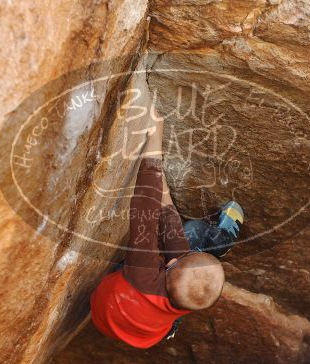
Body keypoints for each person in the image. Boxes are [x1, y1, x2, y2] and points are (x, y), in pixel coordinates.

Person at [90, 90, 244, 349]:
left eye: (176, 260)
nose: (176, 256)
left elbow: (142, 209)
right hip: (140, 330)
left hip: (118, 300)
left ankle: (216, 244)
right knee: (184, 244)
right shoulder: (185, 294)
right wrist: (164, 192)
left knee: (193, 233)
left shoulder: (144, 273)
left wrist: (154, 140)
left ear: (169, 268)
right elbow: (165, 219)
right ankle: (171, 323)